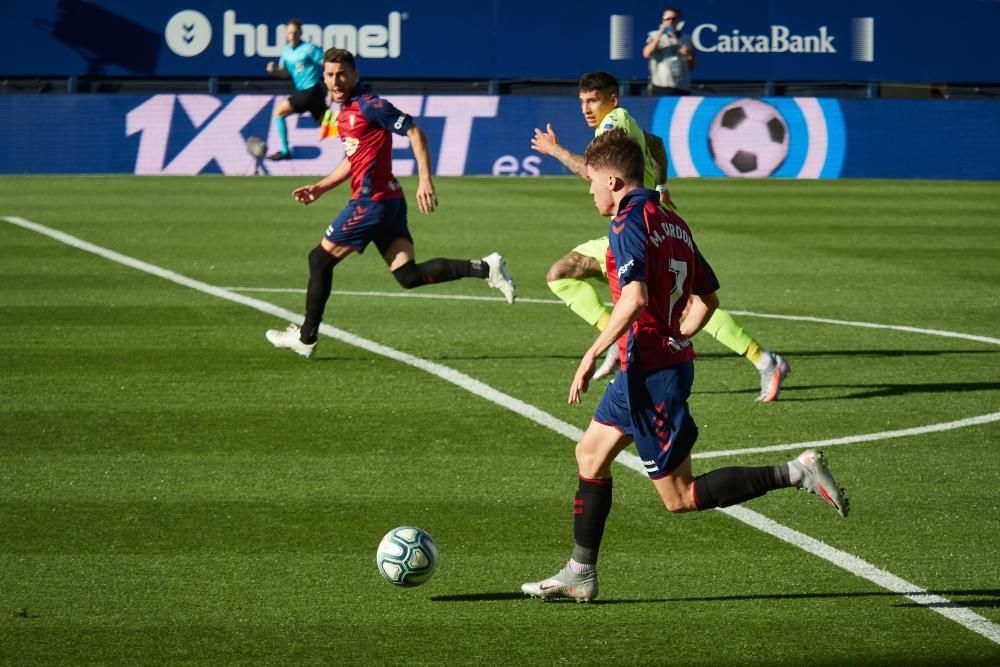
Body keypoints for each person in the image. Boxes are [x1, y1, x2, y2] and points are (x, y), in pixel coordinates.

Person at [520, 130, 848, 602]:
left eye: (590, 180)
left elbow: (634, 297)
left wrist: (594, 351)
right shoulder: (673, 221)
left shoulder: (627, 221)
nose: (588, 189)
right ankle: (580, 572)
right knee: (590, 454)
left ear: (613, 181)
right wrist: (677, 335)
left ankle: (796, 472)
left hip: (649, 372)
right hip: (654, 363)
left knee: (679, 497)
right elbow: (708, 299)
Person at [531, 72, 790, 401]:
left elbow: (593, 172)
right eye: (582, 101)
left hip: (639, 229)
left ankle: (764, 359)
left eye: (593, 100)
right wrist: (662, 187)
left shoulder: (612, 125)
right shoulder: (626, 122)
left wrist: (554, 150)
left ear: (613, 99)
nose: (586, 108)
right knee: (566, 273)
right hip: (647, 221)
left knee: (679, 303)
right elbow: (657, 145)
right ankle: (619, 341)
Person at [266, 48, 516, 358]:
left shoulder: (370, 105)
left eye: (342, 73)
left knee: (319, 260)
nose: (336, 80)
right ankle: (485, 268)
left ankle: (306, 338)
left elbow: (414, 130)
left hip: (372, 202)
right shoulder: (344, 112)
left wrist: (425, 179)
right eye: (330, 75)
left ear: (354, 74)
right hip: (389, 202)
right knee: (407, 275)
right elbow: (352, 159)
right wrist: (320, 188)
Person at [264, 19, 327, 161]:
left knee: (278, 113)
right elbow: (285, 73)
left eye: (295, 33)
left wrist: (333, 83)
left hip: (311, 90)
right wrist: (274, 71)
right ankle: (361, 139)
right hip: (310, 94)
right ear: (286, 34)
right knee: (330, 126)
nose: (292, 36)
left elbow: (326, 63)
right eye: (290, 33)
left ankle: (285, 151)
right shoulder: (286, 51)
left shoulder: (309, 48)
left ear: (300, 33)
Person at [642, 7, 696, 96]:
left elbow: (692, 66)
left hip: (682, 87)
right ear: (662, 19)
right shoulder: (654, 35)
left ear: (679, 21)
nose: (670, 21)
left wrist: (688, 55)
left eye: (673, 19)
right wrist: (660, 34)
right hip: (660, 87)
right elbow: (646, 53)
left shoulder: (686, 39)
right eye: (667, 18)